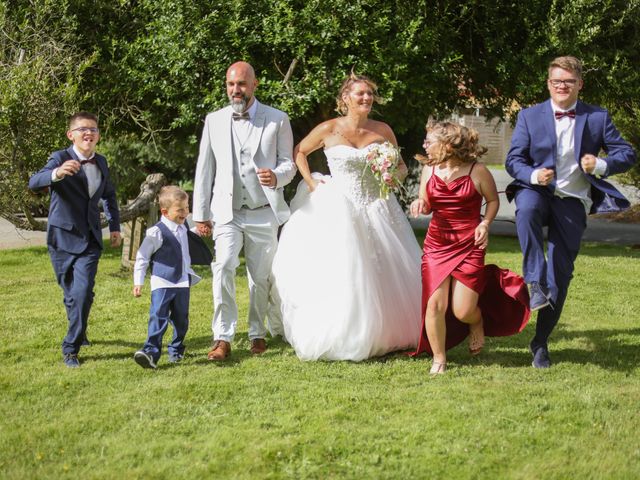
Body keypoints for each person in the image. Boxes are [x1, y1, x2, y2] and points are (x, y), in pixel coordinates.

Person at [271, 73, 422, 361]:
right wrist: (312, 183)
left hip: (378, 205)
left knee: (386, 268)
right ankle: (348, 331)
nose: (366, 98)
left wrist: (391, 177)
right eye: (359, 94)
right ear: (346, 99)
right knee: (347, 268)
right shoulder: (329, 128)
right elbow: (300, 151)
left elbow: (401, 166)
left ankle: (391, 331)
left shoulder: (383, 130)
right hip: (339, 205)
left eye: (369, 94)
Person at [506, 55, 637, 368]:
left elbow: (627, 153)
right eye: (556, 81)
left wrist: (602, 164)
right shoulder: (529, 116)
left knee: (561, 275)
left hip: (573, 199)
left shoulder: (597, 117)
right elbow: (514, 161)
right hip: (537, 190)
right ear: (549, 84)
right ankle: (534, 281)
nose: (561, 86)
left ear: (580, 83)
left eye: (568, 81)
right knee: (525, 212)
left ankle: (540, 343)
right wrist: (534, 175)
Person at [192, 61, 296, 361]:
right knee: (223, 266)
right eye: (230, 84)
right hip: (227, 211)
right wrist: (201, 213)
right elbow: (204, 169)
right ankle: (222, 336)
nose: (235, 90)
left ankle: (257, 333)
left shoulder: (277, 119)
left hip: (263, 210)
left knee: (259, 277)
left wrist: (276, 176)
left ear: (254, 84)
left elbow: (288, 163)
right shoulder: (214, 120)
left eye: (241, 84)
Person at [410, 121, 530, 374]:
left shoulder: (477, 171)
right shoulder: (428, 170)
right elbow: (427, 203)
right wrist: (420, 204)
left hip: (470, 243)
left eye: (429, 140)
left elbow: (493, 201)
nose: (425, 145)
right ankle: (439, 359)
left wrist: (485, 224)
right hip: (437, 243)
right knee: (434, 305)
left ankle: (477, 323)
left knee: (463, 310)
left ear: (447, 144)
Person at [28, 112, 121, 368]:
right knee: (72, 294)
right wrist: (56, 173)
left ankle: (71, 348)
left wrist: (114, 226)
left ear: (98, 135)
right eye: (82, 129)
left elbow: (109, 197)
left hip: (90, 238)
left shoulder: (101, 162)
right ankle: (80, 327)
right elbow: (34, 182)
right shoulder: (60, 157)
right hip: (61, 237)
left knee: (80, 292)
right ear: (71, 135)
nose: (88, 133)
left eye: (93, 129)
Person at [132, 186, 201, 369]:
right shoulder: (156, 232)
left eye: (187, 208)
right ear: (165, 211)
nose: (185, 212)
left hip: (182, 281)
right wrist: (138, 281)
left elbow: (193, 236)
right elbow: (142, 257)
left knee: (181, 319)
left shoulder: (185, 226)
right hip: (162, 281)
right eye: (180, 209)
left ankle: (176, 350)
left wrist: (204, 229)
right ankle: (151, 353)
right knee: (158, 316)